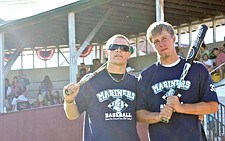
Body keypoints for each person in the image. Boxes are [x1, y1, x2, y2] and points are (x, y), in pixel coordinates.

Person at [136, 21, 218, 141]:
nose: (161, 44)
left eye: (164, 38)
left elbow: (212, 106)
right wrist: (158, 116)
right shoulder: (146, 76)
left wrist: (181, 108)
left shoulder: (197, 69)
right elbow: (139, 114)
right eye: (156, 41)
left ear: (174, 38)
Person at [63, 34, 140, 141]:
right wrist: (69, 100)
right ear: (106, 52)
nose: (118, 50)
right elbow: (72, 115)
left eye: (124, 48)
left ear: (129, 54)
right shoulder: (90, 80)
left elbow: (142, 114)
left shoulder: (135, 82)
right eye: (113, 47)